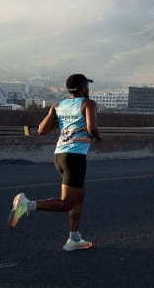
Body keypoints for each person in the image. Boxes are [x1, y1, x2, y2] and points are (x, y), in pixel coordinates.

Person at [9, 73, 101, 251]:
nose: (88, 88)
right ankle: (28, 205)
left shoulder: (58, 105)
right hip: (75, 157)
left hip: (59, 155)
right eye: (87, 85)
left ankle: (74, 239)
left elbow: (41, 130)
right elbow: (92, 127)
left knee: (78, 199)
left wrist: (58, 118)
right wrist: (98, 137)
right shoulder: (88, 104)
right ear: (83, 87)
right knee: (68, 203)